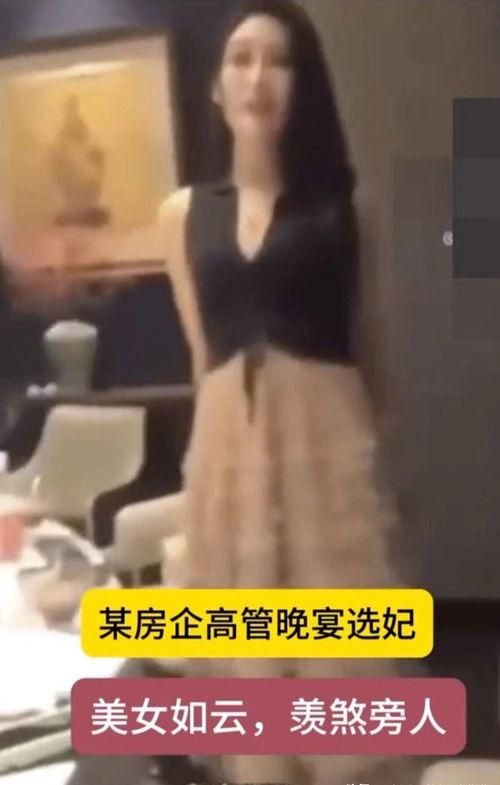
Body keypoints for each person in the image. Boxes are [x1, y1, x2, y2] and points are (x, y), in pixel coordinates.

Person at [161, 1, 423, 782]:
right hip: (228, 460)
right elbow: (201, 354)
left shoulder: (346, 208)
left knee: (338, 672)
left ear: (304, 84)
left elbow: (372, 344)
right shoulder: (181, 214)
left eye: (279, 61)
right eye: (240, 58)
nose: (258, 77)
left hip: (326, 455)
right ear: (216, 87)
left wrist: (384, 480)